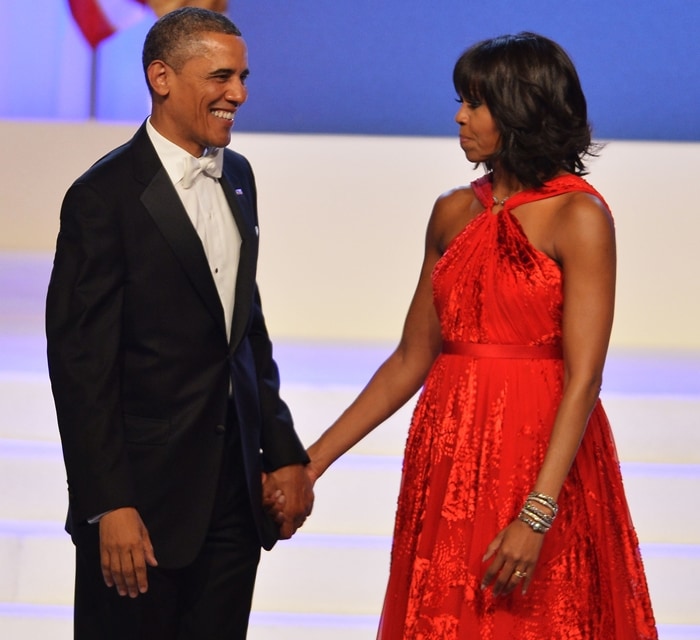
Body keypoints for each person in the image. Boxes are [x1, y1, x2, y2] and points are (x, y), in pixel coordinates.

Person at [294, 33, 658, 638]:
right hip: (449, 453)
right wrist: (312, 463)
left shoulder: (580, 216)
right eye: (462, 100)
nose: (459, 116)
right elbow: (412, 358)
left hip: (540, 457)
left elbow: (585, 375)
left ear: (520, 109)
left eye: (476, 103)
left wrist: (537, 514)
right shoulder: (452, 211)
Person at [46, 7, 312, 639]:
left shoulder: (238, 177)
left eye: (243, 77)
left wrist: (282, 453)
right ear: (161, 77)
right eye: (221, 76)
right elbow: (81, 367)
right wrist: (108, 502)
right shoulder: (101, 197)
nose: (239, 94)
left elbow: (245, 331)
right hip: (140, 504)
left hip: (232, 502)